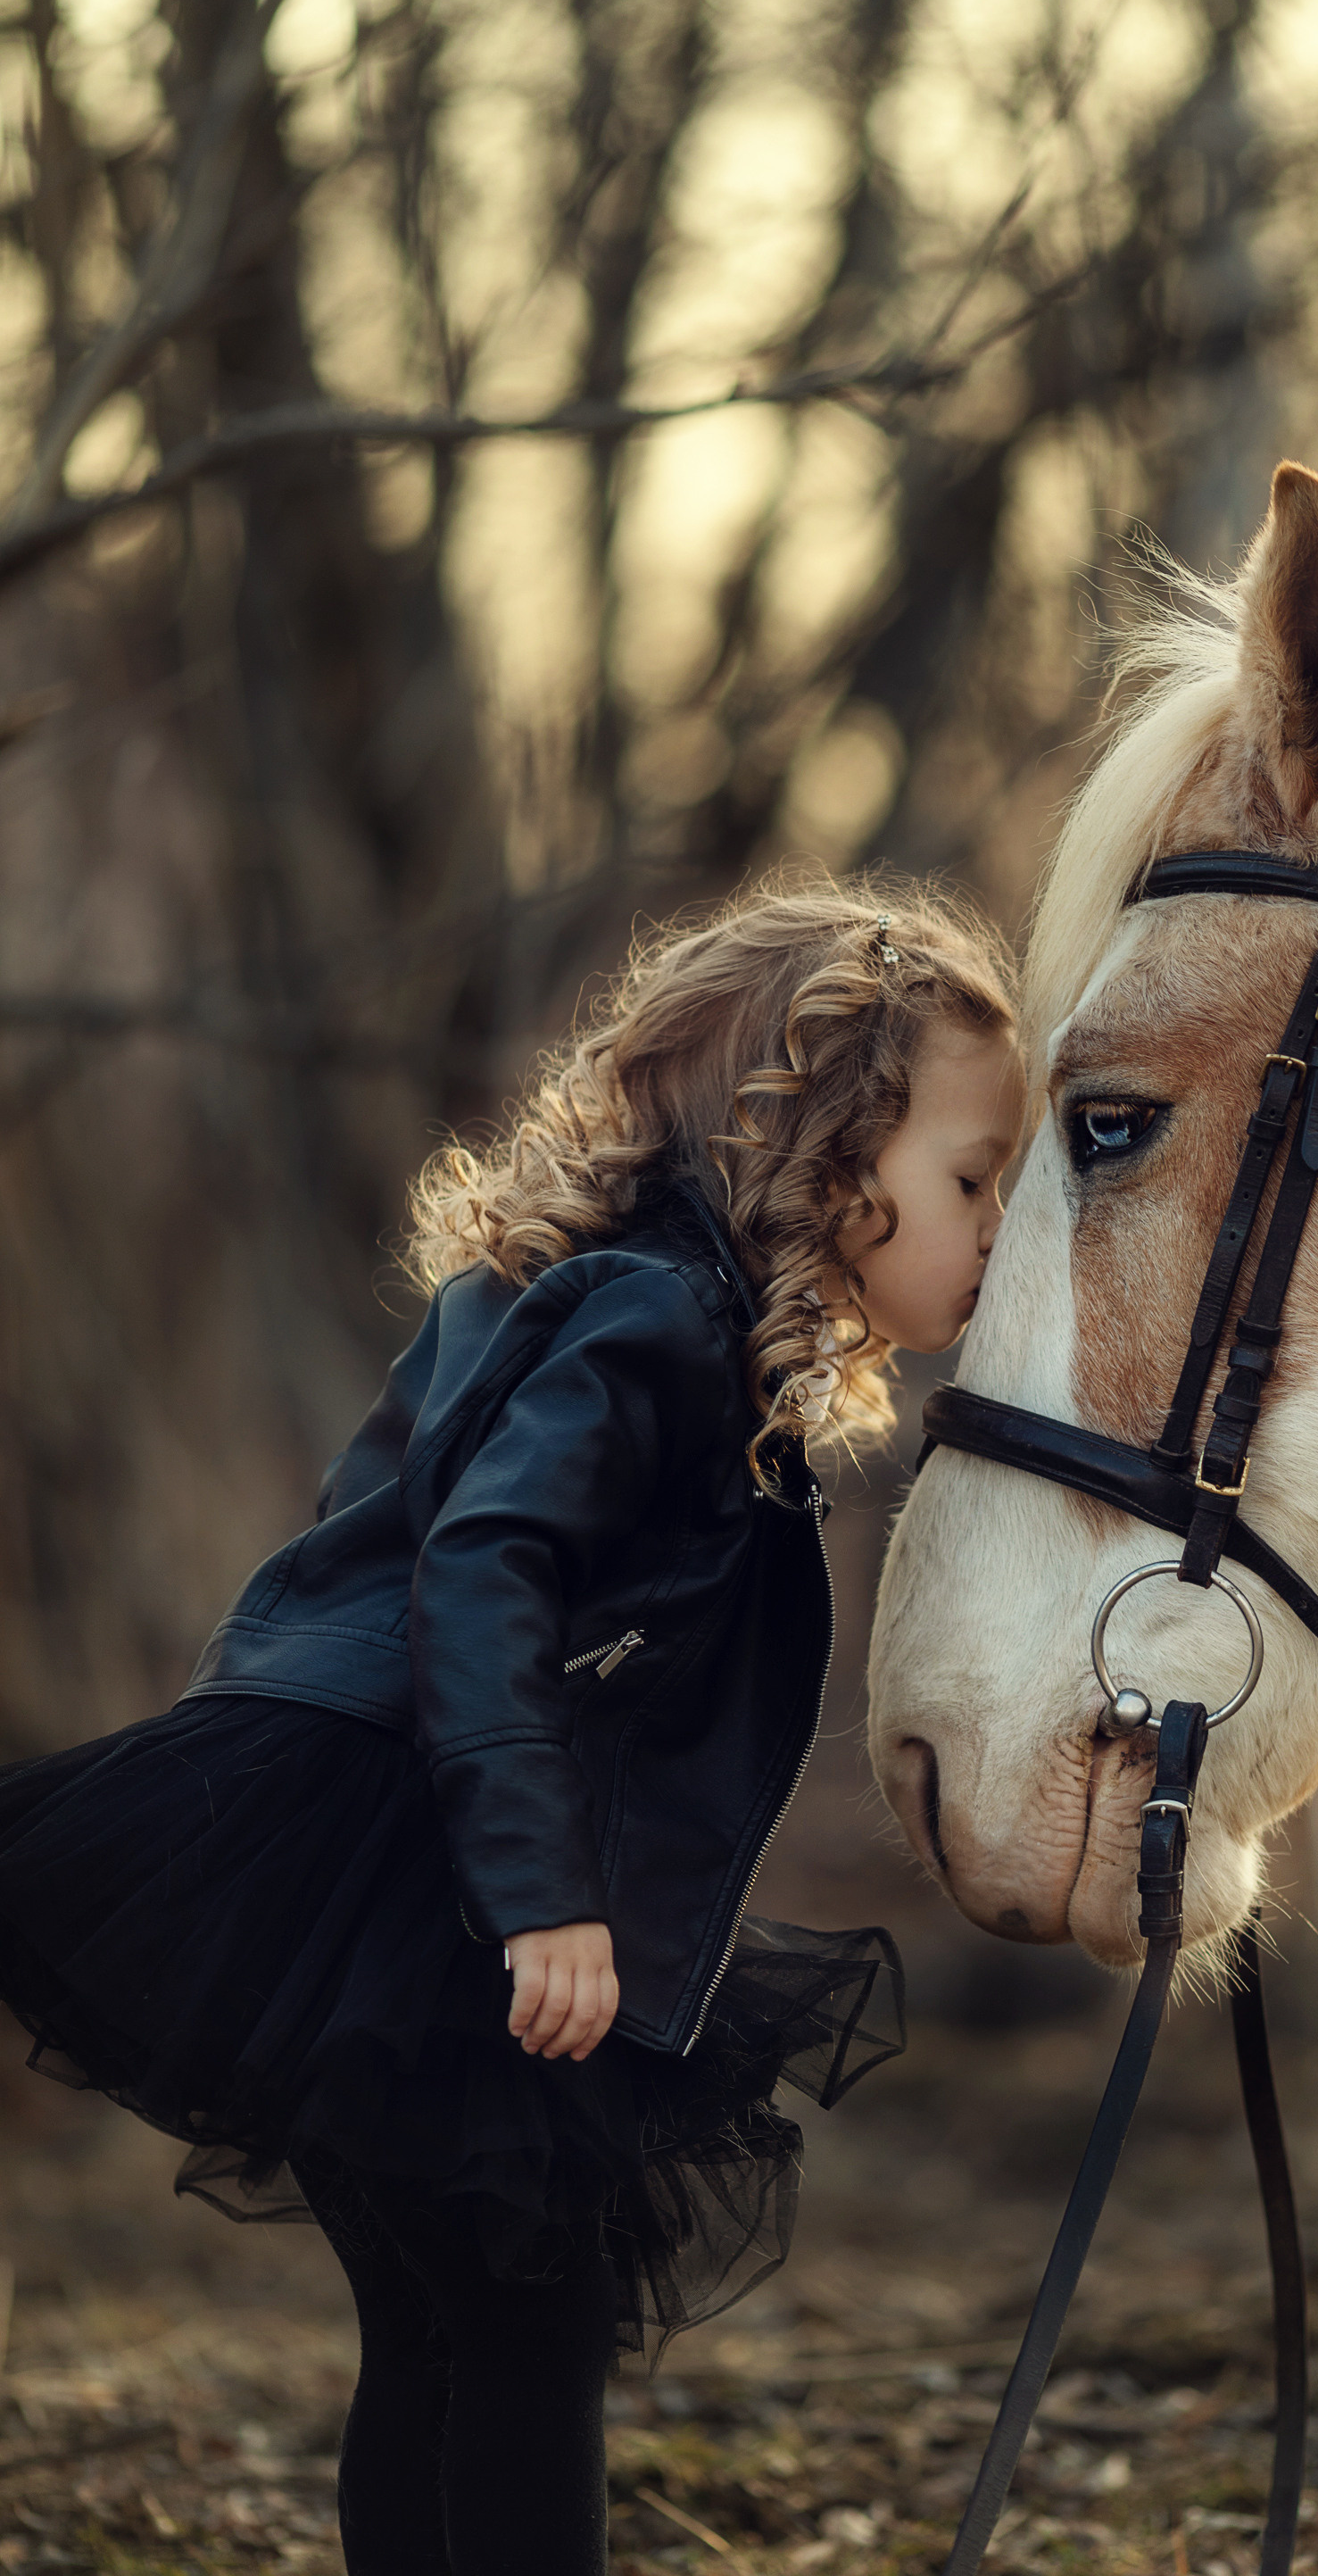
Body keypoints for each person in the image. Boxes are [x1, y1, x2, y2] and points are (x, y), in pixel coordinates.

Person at [0, 877, 1024, 2576]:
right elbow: (479, 1573)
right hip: (421, 1869)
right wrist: (541, 1892)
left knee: (442, 2332)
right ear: (831, 1149)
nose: (999, 1224)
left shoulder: (606, 1296)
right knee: (528, 2344)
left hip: (384, 1847)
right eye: (974, 1179)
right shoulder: (653, 1322)